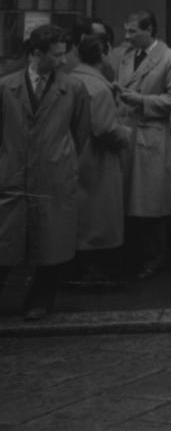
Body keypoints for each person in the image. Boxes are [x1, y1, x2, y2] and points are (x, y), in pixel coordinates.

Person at [0, 24, 90, 320]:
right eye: (57, 55)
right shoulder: (6, 87)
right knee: (7, 239)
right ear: (36, 54)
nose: (63, 61)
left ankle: (41, 300)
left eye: (64, 54)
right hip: (13, 172)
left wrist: (59, 158)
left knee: (51, 242)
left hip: (54, 173)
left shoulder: (73, 89)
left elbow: (80, 132)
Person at [115, 9, 171, 280]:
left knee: (152, 204)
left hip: (152, 136)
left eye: (133, 31)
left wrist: (142, 101)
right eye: (127, 30)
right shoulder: (126, 57)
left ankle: (155, 260)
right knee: (130, 204)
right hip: (127, 134)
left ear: (149, 30)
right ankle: (134, 259)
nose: (127, 36)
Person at [71, 33, 131, 285]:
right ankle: (93, 273)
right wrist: (127, 132)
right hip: (97, 160)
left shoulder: (72, 79)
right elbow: (106, 129)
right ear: (104, 54)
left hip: (74, 156)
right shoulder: (99, 88)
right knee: (98, 219)